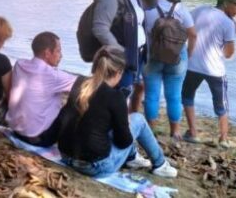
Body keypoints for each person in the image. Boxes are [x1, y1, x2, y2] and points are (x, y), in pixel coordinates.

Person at [57, 46, 178, 179]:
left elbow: (64, 118)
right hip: (95, 167)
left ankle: (132, 158)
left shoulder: (80, 83)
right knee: (138, 120)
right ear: (119, 72)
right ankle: (160, 165)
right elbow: (124, 142)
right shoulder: (115, 97)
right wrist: (124, 122)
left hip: (65, 156)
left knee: (103, 124)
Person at [181, 0, 236, 148]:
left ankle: (193, 132)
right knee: (221, 104)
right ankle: (223, 138)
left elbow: (185, 26)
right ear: (226, 3)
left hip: (192, 65)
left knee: (187, 96)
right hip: (215, 70)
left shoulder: (200, 10)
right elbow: (229, 54)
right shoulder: (228, 23)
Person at [92, 0, 157, 113]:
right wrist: (118, 51)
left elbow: (152, 5)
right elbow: (100, 27)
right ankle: (112, 131)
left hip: (136, 54)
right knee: (118, 93)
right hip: (120, 56)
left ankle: (121, 126)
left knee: (126, 91)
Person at [143, 0, 197, 141]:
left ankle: (150, 130)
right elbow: (193, 34)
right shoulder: (180, 7)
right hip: (177, 56)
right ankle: (175, 131)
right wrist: (188, 54)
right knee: (174, 96)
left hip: (153, 54)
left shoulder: (147, 7)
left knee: (152, 95)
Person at [6, 32, 78, 146]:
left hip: (15, 130)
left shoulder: (19, 64)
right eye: (58, 51)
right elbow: (87, 85)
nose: (61, 56)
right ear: (47, 53)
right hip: (39, 139)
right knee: (73, 104)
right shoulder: (53, 75)